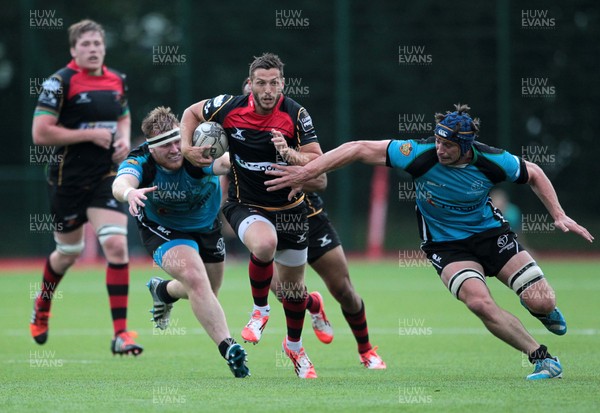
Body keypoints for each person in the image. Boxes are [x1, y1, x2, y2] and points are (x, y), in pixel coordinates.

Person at [265, 103, 594, 380]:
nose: (440, 149)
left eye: (448, 145)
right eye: (437, 141)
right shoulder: (418, 154)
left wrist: (558, 214)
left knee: (541, 301)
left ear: (466, 146)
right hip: (447, 247)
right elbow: (357, 149)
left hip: (492, 236)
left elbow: (533, 172)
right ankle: (543, 358)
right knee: (478, 302)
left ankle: (544, 310)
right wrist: (305, 173)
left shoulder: (491, 160)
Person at [180, 53, 325, 379]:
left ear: (282, 84)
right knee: (263, 244)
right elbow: (191, 112)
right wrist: (187, 146)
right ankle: (259, 311)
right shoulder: (229, 107)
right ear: (251, 84)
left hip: (291, 210)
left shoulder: (296, 114)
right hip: (246, 204)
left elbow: (317, 160)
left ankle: (295, 347)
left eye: (274, 82)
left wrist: (289, 155)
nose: (268, 89)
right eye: (261, 82)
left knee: (293, 292)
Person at [241, 78, 386, 369]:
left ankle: (366, 349)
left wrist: (294, 167)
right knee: (287, 294)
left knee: (343, 289)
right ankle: (311, 313)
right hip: (267, 223)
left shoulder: (289, 130)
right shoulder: (237, 135)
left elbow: (321, 180)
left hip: (309, 219)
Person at [30, 19, 142, 355]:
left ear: (104, 47)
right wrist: (88, 135)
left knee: (117, 248)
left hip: (106, 176)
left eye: (97, 43)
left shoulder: (116, 79)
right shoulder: (58, 83)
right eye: (86, 44)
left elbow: (123, 115)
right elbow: (40, 133)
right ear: (73, 50)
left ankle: (121, 334)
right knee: (68, 253)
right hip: (68, 180)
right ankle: (43, 306)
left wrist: (123, 138)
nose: (93, 49)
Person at [112, 106, 249, 378]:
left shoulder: (194, 150)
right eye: (166, 145)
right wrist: (129, 192)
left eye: (177, 141)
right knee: (196, 279)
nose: (175, 149)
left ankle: (164, 292)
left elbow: (222, 163)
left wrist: (240, 158)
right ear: (151, 148)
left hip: (207, 226)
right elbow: (121, 183)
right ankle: (229, 347)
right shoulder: (141, 160)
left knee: (209, 289)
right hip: (164, 229)